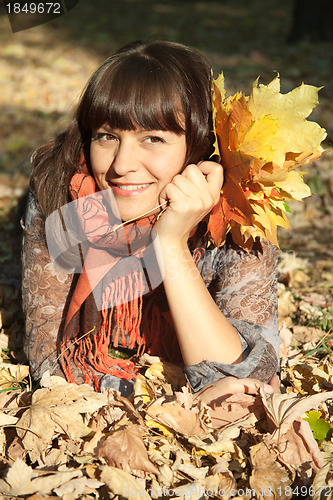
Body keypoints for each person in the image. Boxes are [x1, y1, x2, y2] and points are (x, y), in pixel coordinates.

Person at [21, 40, 280, 401]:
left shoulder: (240, 212)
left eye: (154, 138)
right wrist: (168, 398)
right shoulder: (62, 190)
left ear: (200, 148)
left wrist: (170, 243)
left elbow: (252, 374)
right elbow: (52, 364)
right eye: (107, 136)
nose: (121, 165)